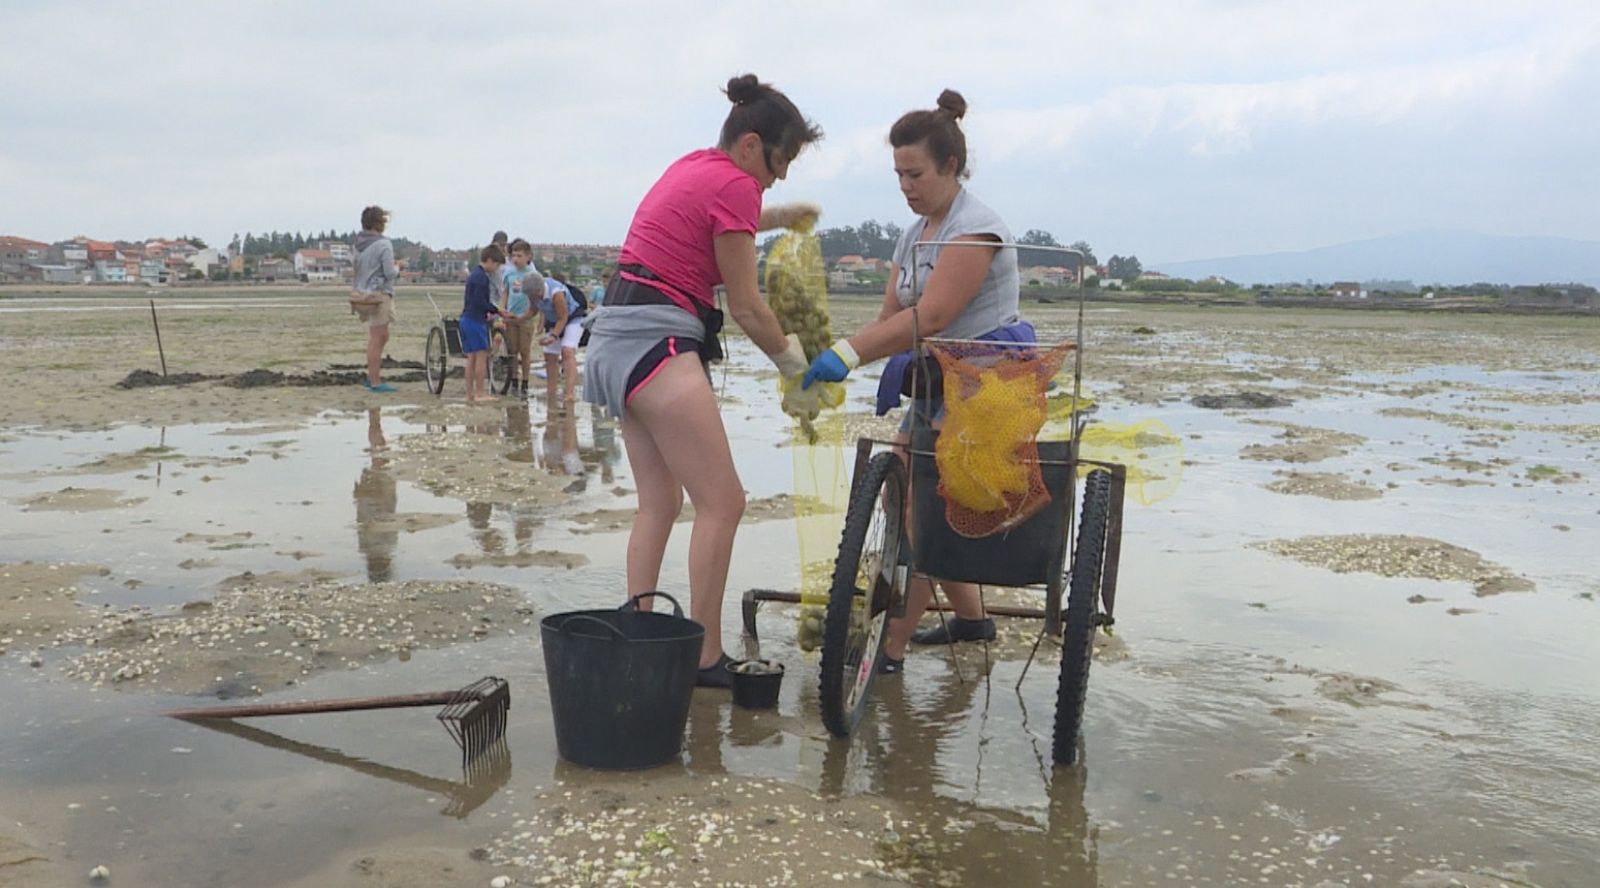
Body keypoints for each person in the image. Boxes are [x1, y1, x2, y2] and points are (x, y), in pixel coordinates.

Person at [582, 73, 822, 687]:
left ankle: (638, 627)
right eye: (781, 159)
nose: (782, 175)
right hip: (656, 341)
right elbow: (745, 305)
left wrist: (779, 218)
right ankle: (705, 656)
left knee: (660, 502)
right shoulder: (737, 183)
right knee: (725, 502)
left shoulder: (697, 165)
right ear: (750, 145)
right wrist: (797, 372)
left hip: (613, 339)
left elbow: (722, 217)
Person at [802, 89, 1031, 673]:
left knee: (921, 514)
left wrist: (848, 353)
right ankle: (975, 620)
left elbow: (931, 316)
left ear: (950, 167)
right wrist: (838, 367)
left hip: (986, 392)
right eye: (898, 174)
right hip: (934, 385)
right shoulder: (914, 233)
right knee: (908, 495)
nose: (905, 185)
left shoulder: (976, 228)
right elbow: (891, 320)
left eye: (916, 173)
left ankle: (890, 649)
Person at [351, 205, 399, 392]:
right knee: (377, 338)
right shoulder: (383, 244)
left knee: (379, 336)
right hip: (378, 295)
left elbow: (356, 269)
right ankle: (375, 381)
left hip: (362, 294)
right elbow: (389, 273)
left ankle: (372, 376)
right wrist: (398, 268)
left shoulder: (357, 244)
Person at [461, 244, 507, 404]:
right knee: (481, 356)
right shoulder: (481, 278)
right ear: (489, 260)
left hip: (467, 318)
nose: (496, 268)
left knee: (471, 358)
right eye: (496, 264)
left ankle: (470, 394)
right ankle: (480, 392)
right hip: (475, 320)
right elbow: (481, 302)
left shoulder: (474, 275)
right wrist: (498, 310)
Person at [500, 240, 541, 396]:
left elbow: (538, 298)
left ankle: (525, 382)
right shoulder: (509, 274)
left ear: (528, 257)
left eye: (519, 255)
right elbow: (505, 293)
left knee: (525, 350)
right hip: (510, 317)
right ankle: (513, 380)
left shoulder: (532, 274)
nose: (516, 259)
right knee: (512, 351)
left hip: (526, 318)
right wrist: (502, 311)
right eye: (513, 256)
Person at [538, 273, 584, 408]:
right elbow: (533, 311)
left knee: (567, 351)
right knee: (550, 355)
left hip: (572, 318)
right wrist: (516, 318)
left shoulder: (556, 293)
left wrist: (553, 336)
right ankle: (551, 390)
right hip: (553, 321)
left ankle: (570, 393)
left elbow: (563, 317)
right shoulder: (533, 294)